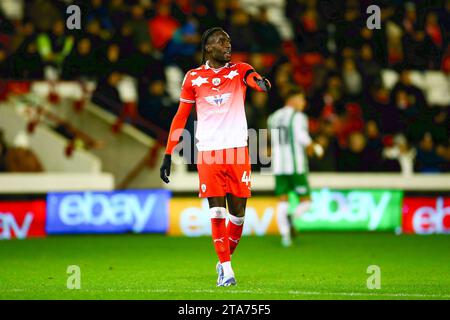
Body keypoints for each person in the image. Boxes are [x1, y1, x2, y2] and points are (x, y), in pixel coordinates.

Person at [159, 27, 271, 287]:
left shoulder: (239, 69)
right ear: (208, 47)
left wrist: (261, 83)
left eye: (229, 41)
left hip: (237, 150)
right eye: (221, 41)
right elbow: (180, 117)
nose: (227, 45)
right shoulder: (193, 78)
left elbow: (254, 78)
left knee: (239, 214)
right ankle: (228, 271)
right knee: (217, 211)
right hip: (209, 152)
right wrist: (168, 153)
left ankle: (222, 260)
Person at [267, 88, 323, 247]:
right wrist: (315, 147)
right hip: (295, 165)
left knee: (282, 201)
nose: (303, 103)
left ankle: (285, 237)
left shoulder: (273, 117)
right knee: (306, 201)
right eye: (301, 99)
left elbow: (273, 139)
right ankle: (292, 218)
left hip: (278, 165)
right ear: (292, 100)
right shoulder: (298, 117)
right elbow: (301, 137)